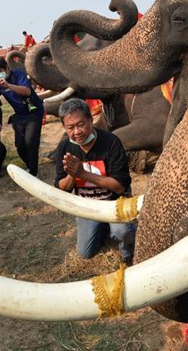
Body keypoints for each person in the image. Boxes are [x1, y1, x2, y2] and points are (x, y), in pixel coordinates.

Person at [54, 98, 135, 264]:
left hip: (114, 203)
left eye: (81, 124)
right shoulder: (64, 147)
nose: (77, 132)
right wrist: (72, 174)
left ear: (91, 120)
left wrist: (83, 174)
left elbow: (119, 187)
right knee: (85, 253)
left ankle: (126, 244)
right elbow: (61, 188)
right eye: (70, 127)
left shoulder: (111, 142)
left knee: (122, 233)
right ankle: (104, 227)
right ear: (64, 128)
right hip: (87, 206)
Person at [0, 56, 43, 176]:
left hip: (34, 113)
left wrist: (8, 85)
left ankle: (34, 173)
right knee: (20, 146)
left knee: (30, 143)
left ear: (7, 68)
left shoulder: (18, 74)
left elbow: (27, 91)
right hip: (20, 116)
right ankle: (29, 165)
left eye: (0, 71)